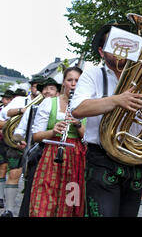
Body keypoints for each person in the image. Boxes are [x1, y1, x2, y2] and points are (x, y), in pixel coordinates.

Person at [71, 22, 142, 217]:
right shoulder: (93, 74)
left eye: (128, 45)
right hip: (103, 160)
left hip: (136, 162)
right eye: (116, 45)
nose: (122, 50)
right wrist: (117, 100)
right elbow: (78, 109)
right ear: (101, 51)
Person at [29, 67, 86, 217]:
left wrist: (78, 124)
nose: (73, 84)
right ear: (64, 83)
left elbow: (89, 138)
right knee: (44, 199)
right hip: (52, 156)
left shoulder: (87, 106)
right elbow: (36, 136)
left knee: (70, 202)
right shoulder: (49, 103)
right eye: (70, 80)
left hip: (76, 158)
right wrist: (53, 131)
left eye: (77, 81)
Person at [16, 77, 61, 217]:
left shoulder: (64, 107)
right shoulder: (32, 108)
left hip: (60, 153)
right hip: (38, 152)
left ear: (58, 92)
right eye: (45, 89)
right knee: (34, 189)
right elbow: (20, 130)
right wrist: (19, 140)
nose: (47, 91)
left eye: (51, 88)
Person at [0, 88, 30, 217]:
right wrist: (21, 111)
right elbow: (5, 116)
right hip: (13, 143)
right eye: (34, 86)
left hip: (36, 143)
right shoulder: (20, 101)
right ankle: (9, 208)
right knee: (9, 172)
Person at [0, 89, 15, 209]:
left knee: (5, 168)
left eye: (5, 98)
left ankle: (1, 197)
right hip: (2, 141)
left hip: (9, 142)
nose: (2, 100)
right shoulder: (2, 110)